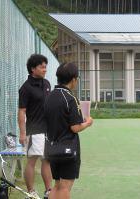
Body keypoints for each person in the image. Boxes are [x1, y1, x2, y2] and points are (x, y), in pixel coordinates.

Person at [45, 62, 93, 199]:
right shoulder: (70, 98)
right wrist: (88, 123)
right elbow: (75, 127)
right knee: (65, 186)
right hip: (68, 149)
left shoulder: (50, 96)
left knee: (57, 184)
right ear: (73, 79)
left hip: (52, 147)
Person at [18, 54, 52, 199]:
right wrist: (22, 133)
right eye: (41, 67)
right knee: (32, 161)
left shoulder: (47, 84)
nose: (45, 69)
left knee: (47, 160)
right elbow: (21, 111)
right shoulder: (25, 88)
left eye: (45, 66)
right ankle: (31, 192)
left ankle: (48, 190)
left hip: (48, 131)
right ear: (33, 69)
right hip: (34, 130)